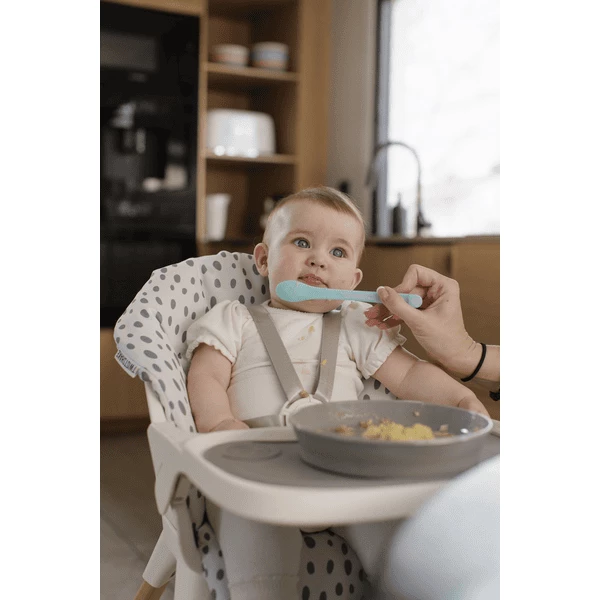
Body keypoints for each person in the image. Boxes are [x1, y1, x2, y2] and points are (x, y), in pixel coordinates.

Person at [184, 186, 489, 600]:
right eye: (301, 243)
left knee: (398, 536)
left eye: (338, 252)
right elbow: (206, 376)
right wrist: (220, 424)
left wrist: (460, 401)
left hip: (346, 469)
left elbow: (410, 375)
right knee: (254, 537)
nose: (318, 259)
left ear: (354, 280)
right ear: (263, 259)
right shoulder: (234, 318)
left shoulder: (356, 323)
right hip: (261, 468)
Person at [364, 264, 500, 394]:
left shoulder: (360, 323)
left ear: (355, 278)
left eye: (342, 253)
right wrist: (467, 352)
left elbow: (408, 375)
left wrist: (464, 399)